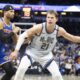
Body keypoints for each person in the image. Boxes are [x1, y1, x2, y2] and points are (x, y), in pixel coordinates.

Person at [10, 10, 80, 80]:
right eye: (48, 17)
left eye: (52, 18)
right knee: (21, 69)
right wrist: (16, 51)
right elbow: (23, 36)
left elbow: (73, 38)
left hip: (46, 55)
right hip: (32, 53)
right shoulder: (39, 27)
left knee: (57, 76)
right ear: (46, 18)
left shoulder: (59, 30)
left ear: (56, 19)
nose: (50, 19)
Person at [0, 5, 21, 80]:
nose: (13, 13)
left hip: (2, 52)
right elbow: (2, 38)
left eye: (14, 12)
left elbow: (15, 42)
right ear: (5, 12)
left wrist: (17, 36)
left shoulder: (12, 26)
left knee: (11, 71)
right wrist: (13, 32)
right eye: (11, 11)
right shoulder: (0, 22)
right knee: (10, 71)